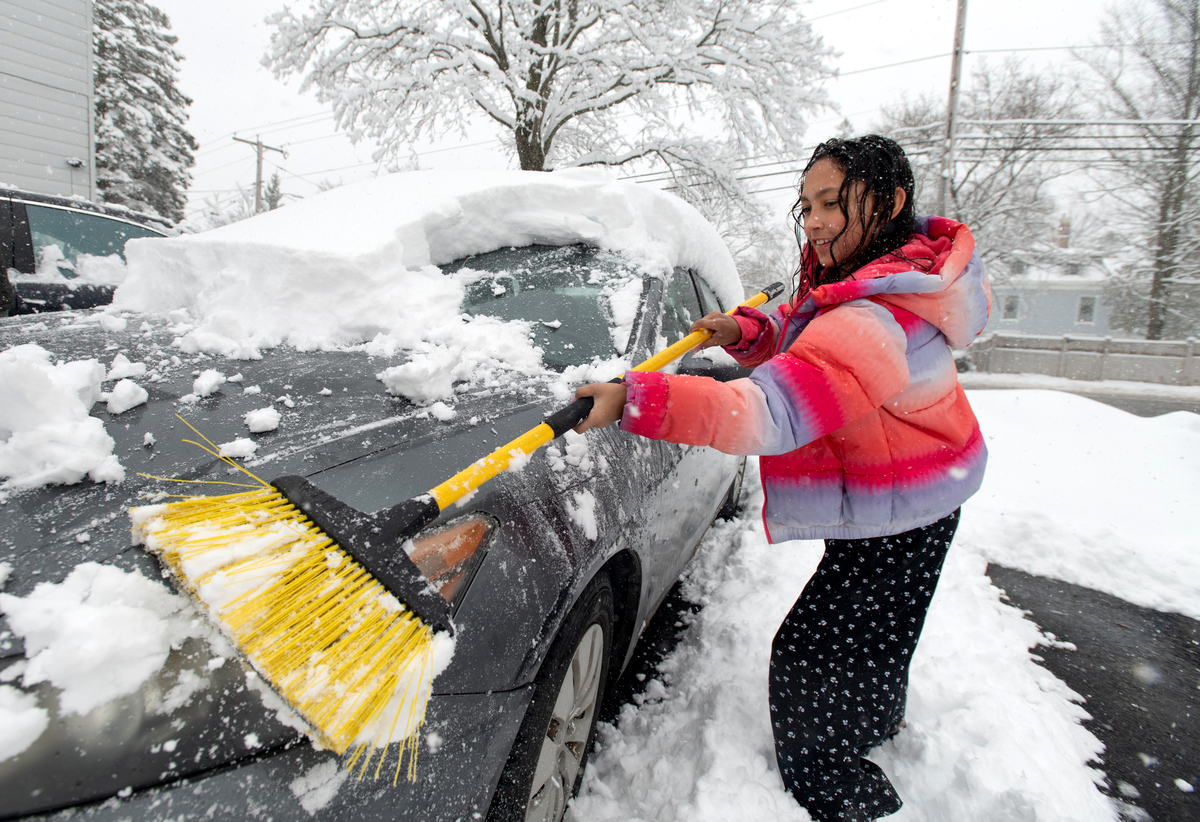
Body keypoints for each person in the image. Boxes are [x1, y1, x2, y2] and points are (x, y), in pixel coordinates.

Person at [572, 134, 991, 821]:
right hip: (917, 489)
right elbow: (806, 337)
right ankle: (875, 717)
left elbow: (773, 409)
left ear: (889, 202)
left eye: (832, 203)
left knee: (811, 654)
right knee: (877, 631)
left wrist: (637, 400)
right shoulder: (885, 278)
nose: (815, 221)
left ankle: (837, 786)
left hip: (905, 505)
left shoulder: (872, 317)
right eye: (807, 205)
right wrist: (747, 333)